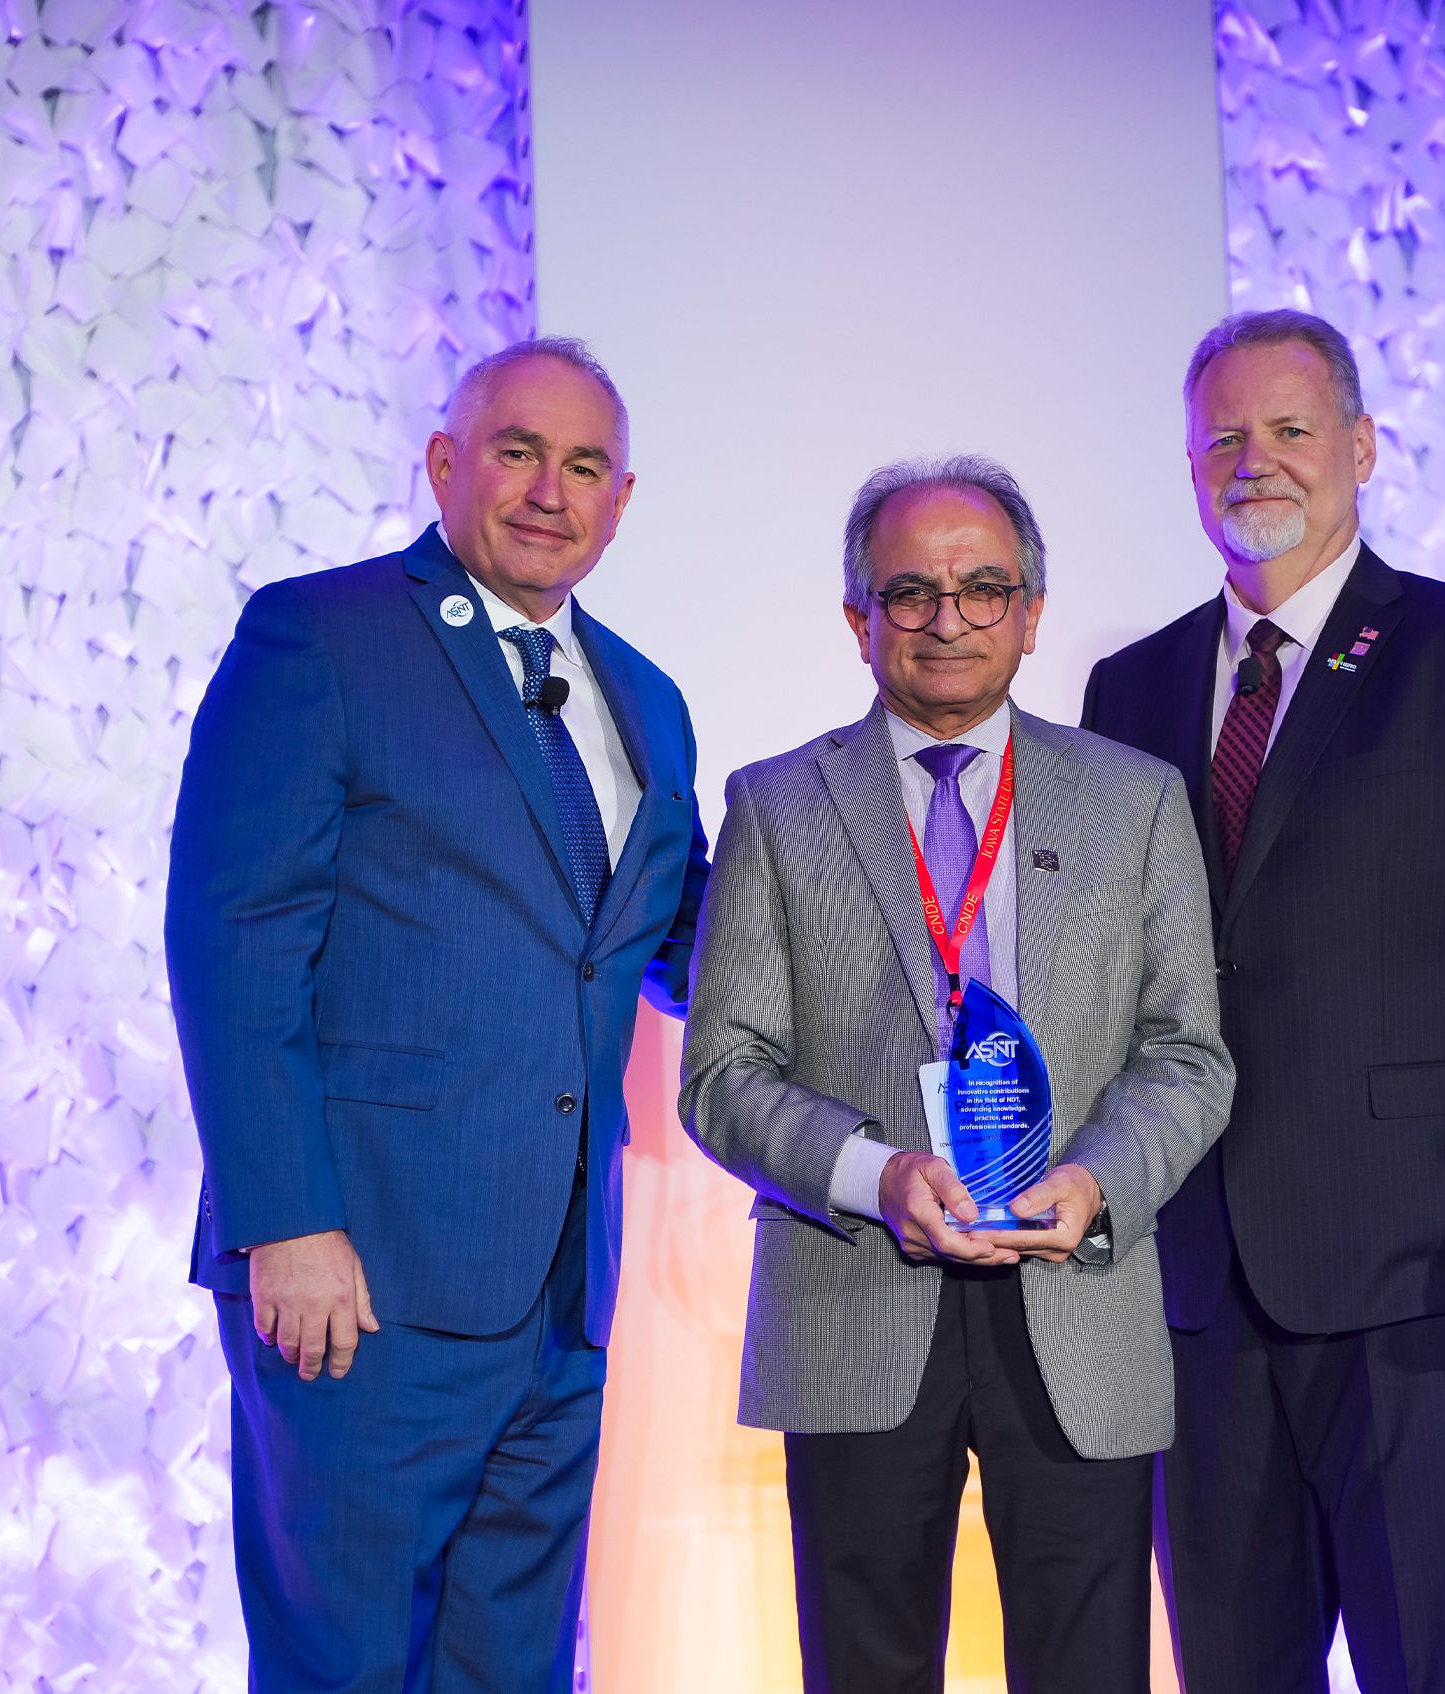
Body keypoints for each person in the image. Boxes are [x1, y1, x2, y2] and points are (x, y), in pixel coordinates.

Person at [1080, 309, 1445, 1693]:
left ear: (1362, 447)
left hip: (1423, 1279)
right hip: (1198, 1291)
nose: (1252, 460)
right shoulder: (1129, 689)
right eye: (1223, 438)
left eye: (1289, 429)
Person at [164, 337, 708, 1692]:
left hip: (558, 1298)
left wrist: (889, 902)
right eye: (518, 452)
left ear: (623, 500)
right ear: (446, 463)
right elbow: (235, 940)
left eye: (584, 465)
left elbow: (680, 938)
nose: (550, 490)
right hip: (359, 1281)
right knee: (343, 1664)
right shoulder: (322, 636)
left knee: (511, 1671)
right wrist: (285, 1220)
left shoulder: (648, 699)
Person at [681, 456, 1234, 1694]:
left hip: (1076, 1290)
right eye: (911, 592)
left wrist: (1097, 1178)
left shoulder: (1137, 800)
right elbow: (722, 1071)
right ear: (858, 617)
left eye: (984, 589)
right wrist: (877, 1174)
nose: (948, 619)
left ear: (1031, 613)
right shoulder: (777, 805)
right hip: (857, 1293)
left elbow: (1188, 1053)